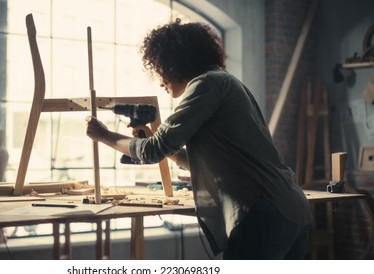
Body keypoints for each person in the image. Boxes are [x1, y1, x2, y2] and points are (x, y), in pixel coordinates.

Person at [85, 18, 312, 260]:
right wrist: (163, 144)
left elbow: (151, 152)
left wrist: (104, 135)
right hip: (289, 208)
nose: (160, 79)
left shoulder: (206, 84)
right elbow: (201, 163)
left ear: (177, 64)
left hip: (265, 213)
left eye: (161, 69)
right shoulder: (225, 82)